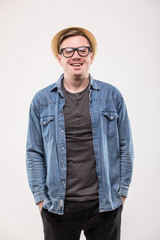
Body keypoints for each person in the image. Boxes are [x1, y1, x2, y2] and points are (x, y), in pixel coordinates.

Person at [26, 26, 134, 240]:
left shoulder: (112, 96)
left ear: (91, 56)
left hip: (105, 206)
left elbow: (125, 147)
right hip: (58, 207)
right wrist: (40, 200)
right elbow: (34, 152)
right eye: (68, 51)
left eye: (82, 50)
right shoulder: (41, 101)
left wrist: (121, 194)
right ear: (59, 58)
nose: (76, 56)